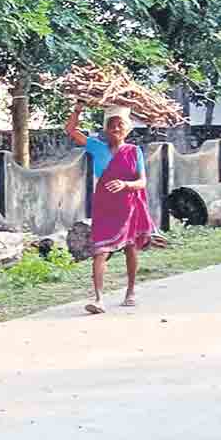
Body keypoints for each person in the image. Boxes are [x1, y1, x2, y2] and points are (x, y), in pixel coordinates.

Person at [64, 103, 154, 314]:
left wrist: (126, 185)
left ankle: (131, 291)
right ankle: (98, 299)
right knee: (100, 251)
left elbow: (142, 182)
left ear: (128, 129)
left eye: (120, 125)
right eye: (111, 125)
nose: (115, 129)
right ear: (105, 129)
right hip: (104, 206)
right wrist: (77, 110)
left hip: (129, 207)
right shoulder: (96, 147)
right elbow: (70, 130)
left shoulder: (134, 151)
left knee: (130, 248)